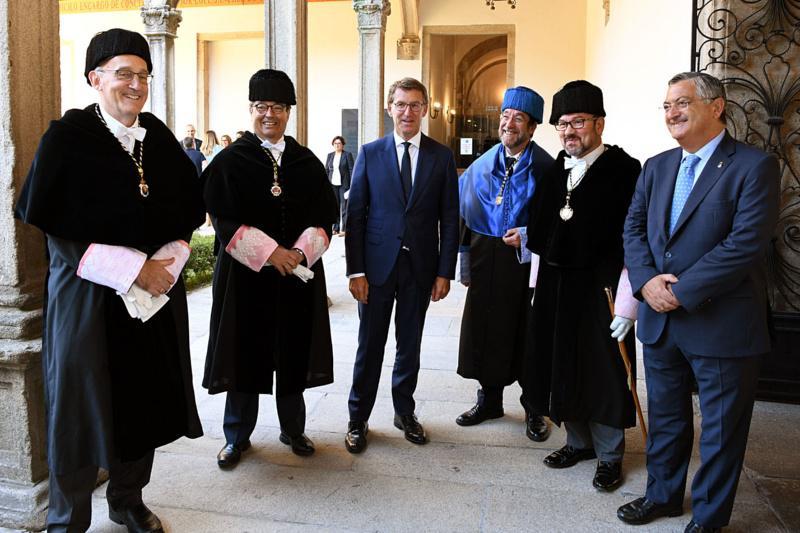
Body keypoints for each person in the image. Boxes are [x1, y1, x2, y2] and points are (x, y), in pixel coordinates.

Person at [14, 28, 205, 532]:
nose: (136, 85)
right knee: (78, 418)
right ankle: (66, 520)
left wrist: (169, 261)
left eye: (143, 75)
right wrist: (139, 269)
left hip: (148, 308)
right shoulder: (67, 139)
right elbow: (62, 238)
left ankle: (127, 501)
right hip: (88, 307)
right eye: (124, 73)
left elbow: (186, 213)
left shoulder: (158, 139)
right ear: (95, 78)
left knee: (142, 407)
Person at [619, 72, 779, 531]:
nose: (672, 112)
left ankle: (708, 519)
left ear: (717, 106)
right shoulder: (657, 166)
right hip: (661, 322)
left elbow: (745, 244)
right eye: (666, 105)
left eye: (682, 102)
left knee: (722, 431)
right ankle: (663, 496)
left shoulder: (754, 166)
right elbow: (633, 229)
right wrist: (647, 283)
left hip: (721, 322)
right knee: (667, 420)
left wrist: (678, 291)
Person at [202, 69, 339, 468]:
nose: (270, 115)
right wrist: (269, 253)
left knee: (294, 353)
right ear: (251, 110)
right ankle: (235, 437)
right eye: (262, 106)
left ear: (289, 112)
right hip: (246, 281)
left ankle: (293, 429)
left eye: (278, 107)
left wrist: (296, 253)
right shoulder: (230, 160)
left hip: (295, 279)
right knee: (244, 354)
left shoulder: (306, 162)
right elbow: (222, 219)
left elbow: (325, 217)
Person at [524, 80, 642, 492]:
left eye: (578, 122)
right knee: (562, 364)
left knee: (603, 371)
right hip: (557, 289)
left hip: (602, 291)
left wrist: (628, 306)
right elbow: (543, 234)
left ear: (600, 124)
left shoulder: (625, 171)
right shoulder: (557, 169)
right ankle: (578, 442)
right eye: (562, 124)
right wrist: (538, 287)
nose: (570, 131)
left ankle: (610, 455)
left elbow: (637, 242)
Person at [344, 77, 459, 453]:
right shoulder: (370, 152)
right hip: (376, 269)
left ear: (425, 109)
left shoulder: (441, 157)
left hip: (420, 268)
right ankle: (357, 418)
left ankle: (404, 412)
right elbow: (356, 215)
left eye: (414, 105)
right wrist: (355, 271)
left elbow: (450, 218)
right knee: (370, 345)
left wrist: (444, 272)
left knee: (409, 345)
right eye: (400, 104)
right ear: (389, 108)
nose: (407, 112)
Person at [455, 86, 553, 443]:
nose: (509, 124)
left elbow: (557, 219)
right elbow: (464, 215)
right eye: (505, 117)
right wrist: (464, 263)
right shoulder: (482, 164)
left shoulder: (546, 168)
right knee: (485, 329)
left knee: (526, 334)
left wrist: (528, 235)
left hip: (525, 266)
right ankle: (490, 401)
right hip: (485, 258)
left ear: (532, 127)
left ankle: (534, 408)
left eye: (519, 119)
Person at [325, 135, 355, 235]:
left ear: (343, 145)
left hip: (344, 184)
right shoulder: (330, 155)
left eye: (339, 143)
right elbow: (327, 170)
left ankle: (344, 229)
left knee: (344, 207)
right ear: (333, 145)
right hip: (332, 183)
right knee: (335, 206)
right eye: (335, 143)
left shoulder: (347, 155)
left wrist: (352, 184)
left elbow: (351, 170)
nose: (337, 145)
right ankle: (336, 228)